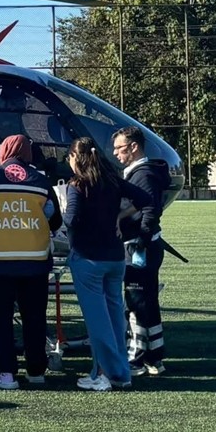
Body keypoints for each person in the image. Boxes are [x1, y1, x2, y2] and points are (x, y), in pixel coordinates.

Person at [0, 135, 62, 390]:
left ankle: (6, 373)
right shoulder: (41, 181)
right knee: (35, 317)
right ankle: (36, 370)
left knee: (2, 320)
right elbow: (56, 220)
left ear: (3, 152)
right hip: (35, 260)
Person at [62, 136, 152, 392]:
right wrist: (118, 217)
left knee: (97, 321)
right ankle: (121, 373)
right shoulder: (112, 181)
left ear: (75, 159)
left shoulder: (78, 185)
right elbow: (145, 199)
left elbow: (71, 219)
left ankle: (103, 373)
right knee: (115, 317)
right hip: (114, 258)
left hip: (88, 258)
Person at [113, 125, 172, 376]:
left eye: (119, 148)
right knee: (147, 303)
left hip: (139, 247)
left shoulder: (143, 175)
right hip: (146, 245)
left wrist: (141, 239)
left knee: (136, 303)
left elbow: (149, 210)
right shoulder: (143, 172)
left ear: (134, 147)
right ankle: (154, 357)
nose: (115, 153)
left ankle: (136, 359)